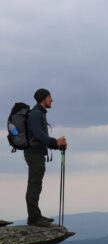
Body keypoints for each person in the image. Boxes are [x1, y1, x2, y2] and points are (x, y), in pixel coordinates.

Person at [24, 88, 67, 227]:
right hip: (34, 153)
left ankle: (36, 215)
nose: (52, 99)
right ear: (43, 98)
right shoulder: (36, 114)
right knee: (34, 184)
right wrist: (55, 142)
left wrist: (57, 146)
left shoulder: (39, 113)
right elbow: (38, 135)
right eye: (49, 97)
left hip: (37, 153)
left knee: (36, 185)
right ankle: (34, 218)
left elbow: (41, 138)